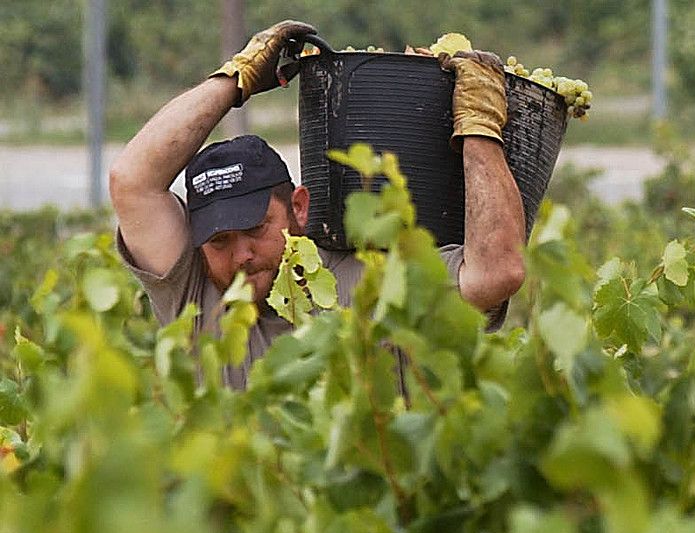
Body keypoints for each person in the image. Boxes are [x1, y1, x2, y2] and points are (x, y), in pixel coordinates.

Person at [108, 20, 526, 389]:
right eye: (219, 241)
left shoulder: (373, 280)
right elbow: (132, 182)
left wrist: (479, 126)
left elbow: (499, 271)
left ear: (299, 207)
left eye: (256, 229)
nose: (241, 256)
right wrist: (237, 79)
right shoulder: (195, 299)